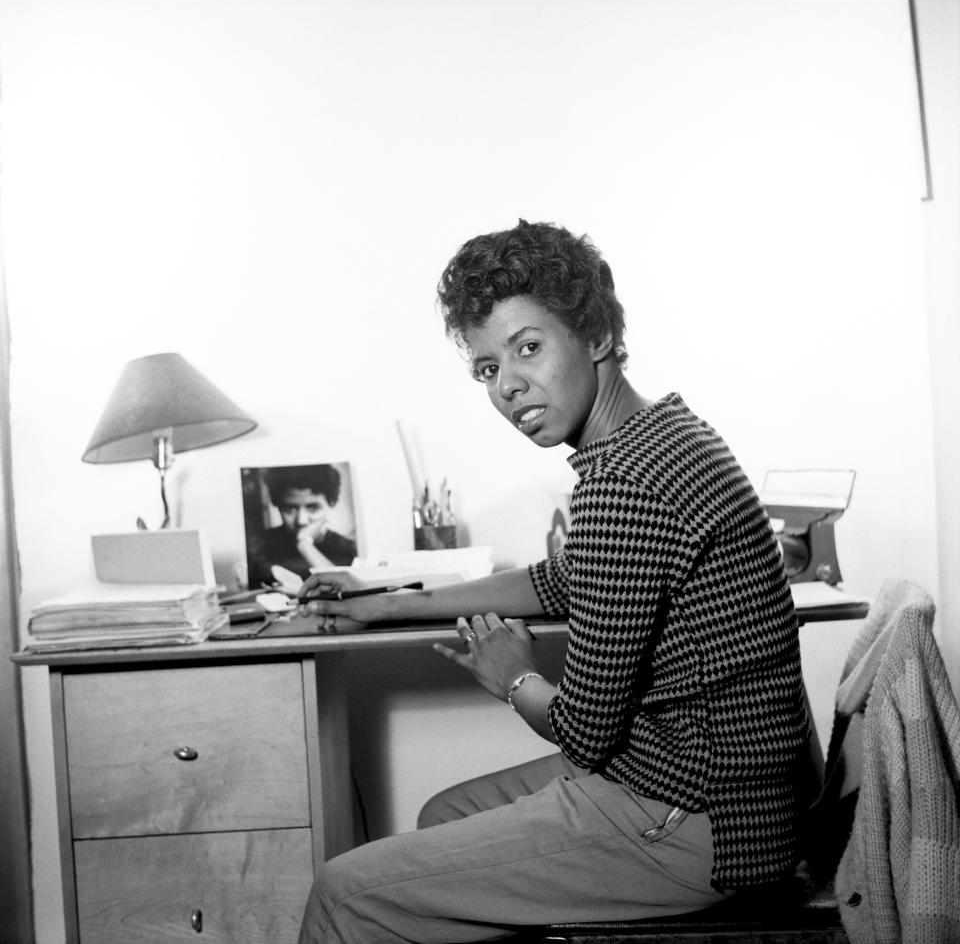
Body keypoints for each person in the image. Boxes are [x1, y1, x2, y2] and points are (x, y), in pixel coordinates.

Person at [296, 220, 809, 944]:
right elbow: (562, 581)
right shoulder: (665, 436)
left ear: (595, 335)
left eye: (527, 347)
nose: (508, 385)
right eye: (486, 369)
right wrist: (384, 604)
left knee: (344, 892)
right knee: (444, 814)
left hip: (700, 823)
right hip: (719, 798)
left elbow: (585, 731)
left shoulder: (626, 484)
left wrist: (511, 676)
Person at [245, 463, 357, 590]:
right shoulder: (259, 546)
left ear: (331, 503)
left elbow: (345, 589)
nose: (301, 521)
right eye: (290, 508)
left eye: (313, 508)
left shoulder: (348, 550)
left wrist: (304, 544)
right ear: (277, 505)